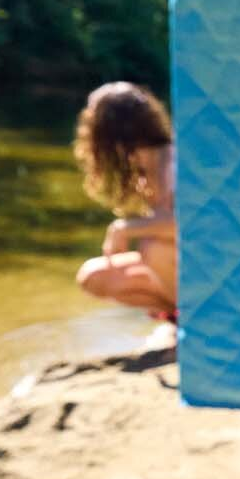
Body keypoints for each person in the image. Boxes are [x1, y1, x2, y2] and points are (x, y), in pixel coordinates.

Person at [73, 82, 178, 322]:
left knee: (154, 249)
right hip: (184, 265)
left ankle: (200, 322)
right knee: (93, 276)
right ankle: (175, 315)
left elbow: (190, 228)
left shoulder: (173, 164)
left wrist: (123, 229)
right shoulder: (145, 167)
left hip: (206, 267)